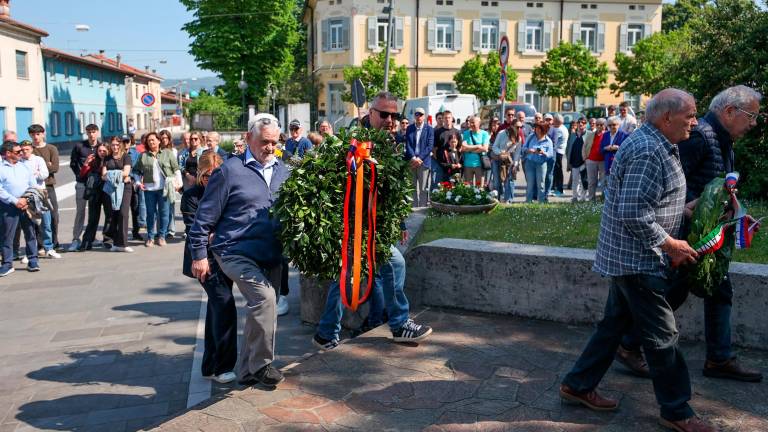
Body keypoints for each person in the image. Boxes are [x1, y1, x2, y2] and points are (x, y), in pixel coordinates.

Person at [559, 88, 718, 432]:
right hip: (638, 260)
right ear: (666, 117)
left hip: (632, 256)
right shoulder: (649, 149)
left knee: (613, 326)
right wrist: (671, 244)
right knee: (663, 337)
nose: (695, 121)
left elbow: (651, 202)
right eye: (690, 115)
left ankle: (578, 384)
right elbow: (634, 213)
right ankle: (676, 410)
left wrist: (690, 209)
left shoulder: (658, 142)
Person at [616, 85, 764, 383]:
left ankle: (718, 357)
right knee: (671, 293)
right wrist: (686, 216)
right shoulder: (700, 136)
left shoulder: (721, 140)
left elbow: (717, 188)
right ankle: (630, 345)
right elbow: (666, 186)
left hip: (704, 235)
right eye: (751, 116)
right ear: (729, 111)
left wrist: (736, 213)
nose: (754, 123)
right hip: (685, 236)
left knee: (714, 289)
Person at [313, 92, 433, 351]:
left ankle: (326, 332)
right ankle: (399, 324)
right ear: (371, 113)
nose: (390, 119)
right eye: (384, 114)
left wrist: (398, 222)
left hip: (371, 224)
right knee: (387, 265)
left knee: (346, 276)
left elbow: (388, 190)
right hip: (353, 223)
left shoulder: (389, 142)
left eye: (394, 115)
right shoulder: (356, 142)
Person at [189, 113, 289, 387]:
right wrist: (198, 255)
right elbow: (204, 218)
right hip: (233, 250)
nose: (269, 148)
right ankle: (262, 364)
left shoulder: (284, 170)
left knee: (263, 311)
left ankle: (246, 371)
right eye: (264, 142)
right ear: (248, 139)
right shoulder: (229, 171)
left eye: (274, 142)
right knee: (265, 299)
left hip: (270, 252)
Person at [182, 151, 237, 384]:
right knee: (224, 304)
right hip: (204, 260)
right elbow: (196, 230)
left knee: (217, 308)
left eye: (216, 175)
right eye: (207, 177)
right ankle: (224, 365)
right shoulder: (192, 196)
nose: (212, 180)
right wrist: (213, 234)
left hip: (227, 255)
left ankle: (210, 364)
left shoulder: (228, 192)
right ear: (199, 175)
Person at [133, 132, 180, 247]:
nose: (151, 142)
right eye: (149, 140)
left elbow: (176, 169)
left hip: (164, 189)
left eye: (153, 140)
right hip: (149, 189)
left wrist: (177, 183)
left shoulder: (167, 153)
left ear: (159, 141)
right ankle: (150, 237)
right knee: (150, 214)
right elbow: (135, 171)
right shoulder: (143, 155)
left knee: (164, 213)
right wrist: (139, 182)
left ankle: (162, 236)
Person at [0, 141, 40, 276]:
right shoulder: (1, 168)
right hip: (8, 206)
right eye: (18, 152)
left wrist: (26, 199)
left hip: (26, 204)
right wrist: (14, 200)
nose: (21, 154)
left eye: (21, 151)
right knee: (7, 236)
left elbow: (33, 185)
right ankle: (7, 264)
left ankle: (33, 260)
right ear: (8, 153)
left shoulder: (24, 167)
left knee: (30, 232)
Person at [19, 140, 59, 259]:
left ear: (31, 149)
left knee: (46, 222)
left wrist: (32, 175)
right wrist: (34, 174)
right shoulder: (20, 162)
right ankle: (31, 251)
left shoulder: (38, 160)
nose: (25, 152)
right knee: (30, 224)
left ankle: (49, 248)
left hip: (40, 193)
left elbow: (44, 174)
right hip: (26, 194)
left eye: (27, 149)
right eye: (23, 150)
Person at [68, 123, 100, 251]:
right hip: (82, 183)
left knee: (94, 212)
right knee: (80, 211)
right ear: (86, 133)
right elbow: (73, 163)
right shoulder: (79, 146)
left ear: (97, 132)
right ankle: (76, 238)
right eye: (89, 132)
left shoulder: (101, 146)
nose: (91, 134)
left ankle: (92, 236)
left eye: (93, 132)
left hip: (96, 184)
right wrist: (80, 175)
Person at [29, 124, 60, 250]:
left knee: (53, 214)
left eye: (38, 134)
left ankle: (54, 242)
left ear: (43, 134)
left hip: (48, 186)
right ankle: (40, 244)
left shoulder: (51, 148)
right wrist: (46, 165)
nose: (35, 137)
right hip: (34, 188)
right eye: (33, 135)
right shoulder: (29, 149)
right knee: (36, 216)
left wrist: (41, 167)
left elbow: (55, 168)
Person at [101, 137, 134, 252]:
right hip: (111, 188)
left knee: (123, 214)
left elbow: (126, 172)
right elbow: (103, 175)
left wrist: (112, 174)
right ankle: (115, 243)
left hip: (125, 188)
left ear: (121, 145)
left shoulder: (126, 157)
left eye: (117, 145)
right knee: (112, 215)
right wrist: (117, 175)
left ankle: (123, 244)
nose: (115, 147)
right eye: (113, 144)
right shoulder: (107, 158)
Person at [80, 143, 112, 251]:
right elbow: (82, 175)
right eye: (100, 151)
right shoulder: (93, 160)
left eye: (104, 151)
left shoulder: (110, 160)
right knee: (93, 218)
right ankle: (87, 241)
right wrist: (86, 163)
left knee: (109, 216)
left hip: (107, 191)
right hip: (95, 191)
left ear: (108, 150)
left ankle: (108, 240)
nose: (102, 153)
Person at [404, 107, 434, 208]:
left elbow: (429, 146)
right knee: (412, 187)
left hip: (423, 162)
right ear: (414, 116)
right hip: (412, 161)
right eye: (417, 115)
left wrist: (419, 158)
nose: (418, 117)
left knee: (423, 188)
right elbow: (407, 144)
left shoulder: (429, 129)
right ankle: (412, 208)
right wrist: (413, 158)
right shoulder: (410, 128)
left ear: (424, 116)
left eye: (421, 115)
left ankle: (422, 209)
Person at [522, 122, 553, 203]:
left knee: (541, 184)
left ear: (544, 130)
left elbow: (550, 154)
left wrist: (543, 153)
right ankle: (528, 201)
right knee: (530, 184)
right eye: (536, 128)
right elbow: (523, 148)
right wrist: (529, 150)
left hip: (541, 164)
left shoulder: (548, 141)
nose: (537, 130)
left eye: (539, 128)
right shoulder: (531, 137)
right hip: (530, 163)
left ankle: (541, 202)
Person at [159, 130, 179, 238]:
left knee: (170, 206)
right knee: (160, 208)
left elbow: (176, 168)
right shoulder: (157, 151)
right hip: (159, 182)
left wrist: (177, 183)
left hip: (170, 181)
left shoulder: (174, 151)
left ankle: (171, 230)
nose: (164, 140)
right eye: (162, 138)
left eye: (166, 138)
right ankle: (162, 229)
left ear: (169, 139)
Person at [461, 116, 489, 188]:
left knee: (479, 189)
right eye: (470, 123)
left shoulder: (484, 134)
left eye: (473, 122)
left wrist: (469, 149)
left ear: (479, 123)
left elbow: (485, 148)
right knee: (468, 189)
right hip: (467, 164)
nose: (471, 124)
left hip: (479, 164)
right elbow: (463, 148)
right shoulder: (466, 133)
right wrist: (478, 146)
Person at [127, 135, 146, 240]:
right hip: (122, 185)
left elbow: (141, 168)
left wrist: (140, 179)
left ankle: (136, 232)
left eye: (127, 141)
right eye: (123, 141)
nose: (125, 144)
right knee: (122, 211)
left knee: (136, 209)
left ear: (130, 142)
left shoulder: (136, 153)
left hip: (134, 184)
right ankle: (120, 233)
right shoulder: (118, 153)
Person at [565, 117, 589, 202]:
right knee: (575, 180)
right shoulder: (572, 135)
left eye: (583, 122)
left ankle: (583, 197)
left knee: (584, 180)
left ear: (586, 124)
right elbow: (568, 148)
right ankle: (574, 197)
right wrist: (568, 161)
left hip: (584, 162)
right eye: (579, 122)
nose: (581, 124)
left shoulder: (588, 134)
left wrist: (587, 160)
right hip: (574, 161)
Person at [583, 118, 606, 201]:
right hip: (591, 160)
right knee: (592, 181)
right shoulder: (590, 135)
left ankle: (603, 199)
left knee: (604, 182)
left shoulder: (607, 135)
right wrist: (585, 158)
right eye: (598, 124)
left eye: (601, 125)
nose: (599, 126)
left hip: (603, 161)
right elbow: (584, 147)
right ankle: (591, 199)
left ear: (605, 126)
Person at [547, 114, 569, 197]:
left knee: (558, 170)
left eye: (555, 122)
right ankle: (553, 187)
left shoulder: (561, 130)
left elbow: (554, 142)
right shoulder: (556, 127)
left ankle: (559, 189)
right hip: (555, 151)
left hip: (558, 152)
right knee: (554, 170)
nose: (553, 123)